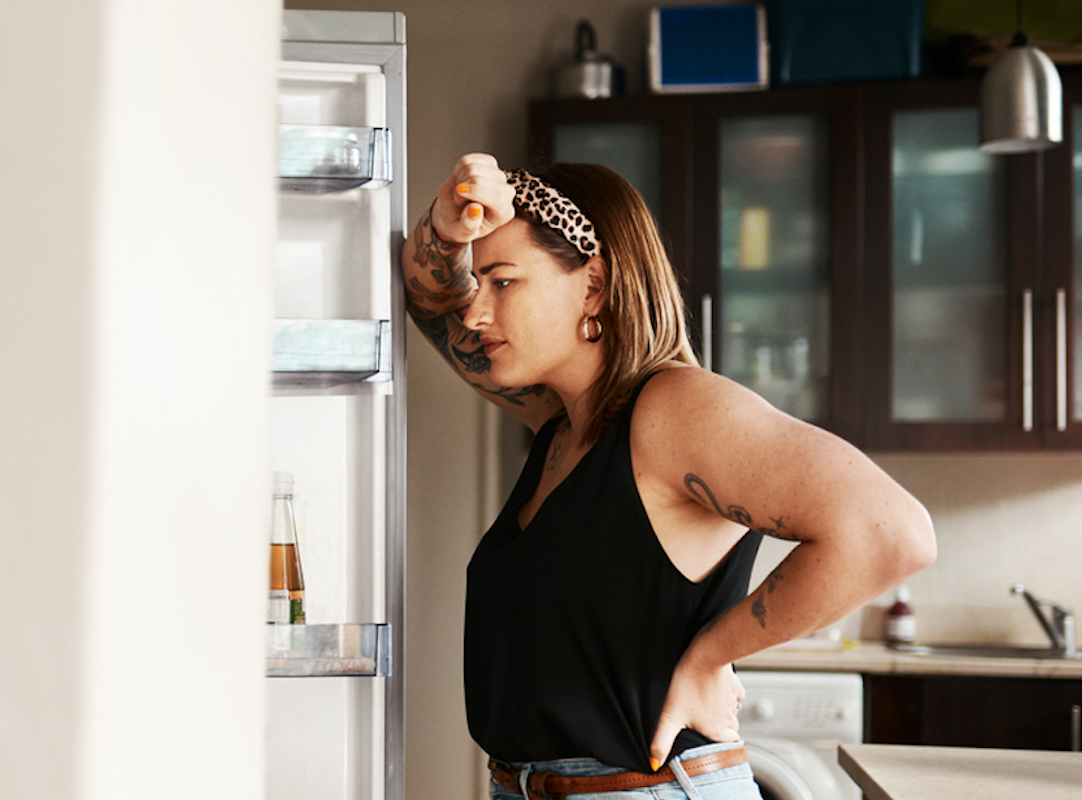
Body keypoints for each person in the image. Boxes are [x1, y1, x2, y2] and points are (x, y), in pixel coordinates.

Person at [401, 153, 936, 800]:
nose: (474, 314)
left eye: (503, 283)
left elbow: (893, 533)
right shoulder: (560, 424)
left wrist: (711, 656)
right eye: (473, 286)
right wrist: (445, 222)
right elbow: (426, 302)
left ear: (593, 285)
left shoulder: (672, 409)